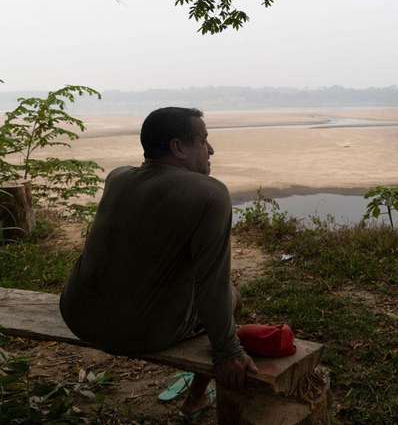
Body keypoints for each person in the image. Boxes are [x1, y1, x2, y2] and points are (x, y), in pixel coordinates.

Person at [60, 107, 257, 418]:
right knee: (231, 296)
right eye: (203, 140)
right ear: (177, 147)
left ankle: (197, 396)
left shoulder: (118, 177)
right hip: (140, 334)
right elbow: (212, 284)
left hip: (78, 315)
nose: (211, 149)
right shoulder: (210, 193)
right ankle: (195, 399)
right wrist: (229, 351)